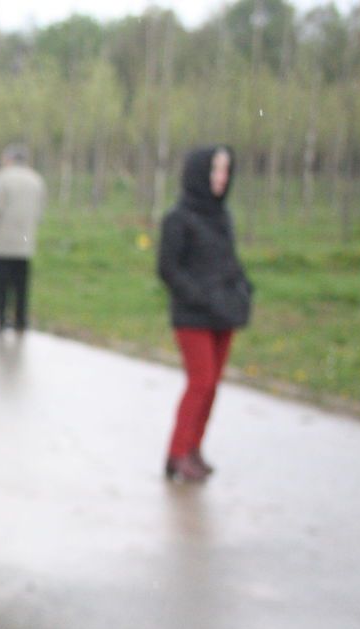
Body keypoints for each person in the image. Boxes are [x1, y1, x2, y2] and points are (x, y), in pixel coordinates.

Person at [158, 146, 252, 483]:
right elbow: (168, 268)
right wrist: (199, 297)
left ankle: (195, 448)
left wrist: (242, 289)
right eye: (215, 170)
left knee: (212, 386)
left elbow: (229, 262)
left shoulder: (222, 216)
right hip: (192, 316)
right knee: (200, 381)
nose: (221, 178)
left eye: (226, 170)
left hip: (223, 314)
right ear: (199, 173)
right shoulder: (178, 218)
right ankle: (176, 453)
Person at [0, 145, 45, 333]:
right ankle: (21, 319)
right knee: (22, 283)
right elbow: (40, 211)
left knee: (2, 283)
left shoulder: (1, 179)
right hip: (25, 241)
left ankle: (2, 318)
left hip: (3, 240)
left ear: (9, 159)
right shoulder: (36, 180)